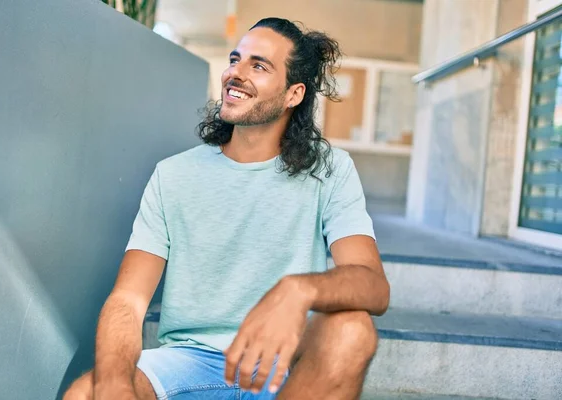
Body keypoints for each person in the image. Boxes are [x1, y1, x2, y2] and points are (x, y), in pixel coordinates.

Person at [64, 17, 390, 400]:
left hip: (282, 370)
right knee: (87, 393)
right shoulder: (173, 175)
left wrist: (298, 290)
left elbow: (373, 286)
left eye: (259, 65)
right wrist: (116, 383)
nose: (236, 73)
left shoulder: (331, 170)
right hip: (188, 363)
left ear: (293, 94)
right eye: (235, 60)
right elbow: (128, 300)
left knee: (353, 329)